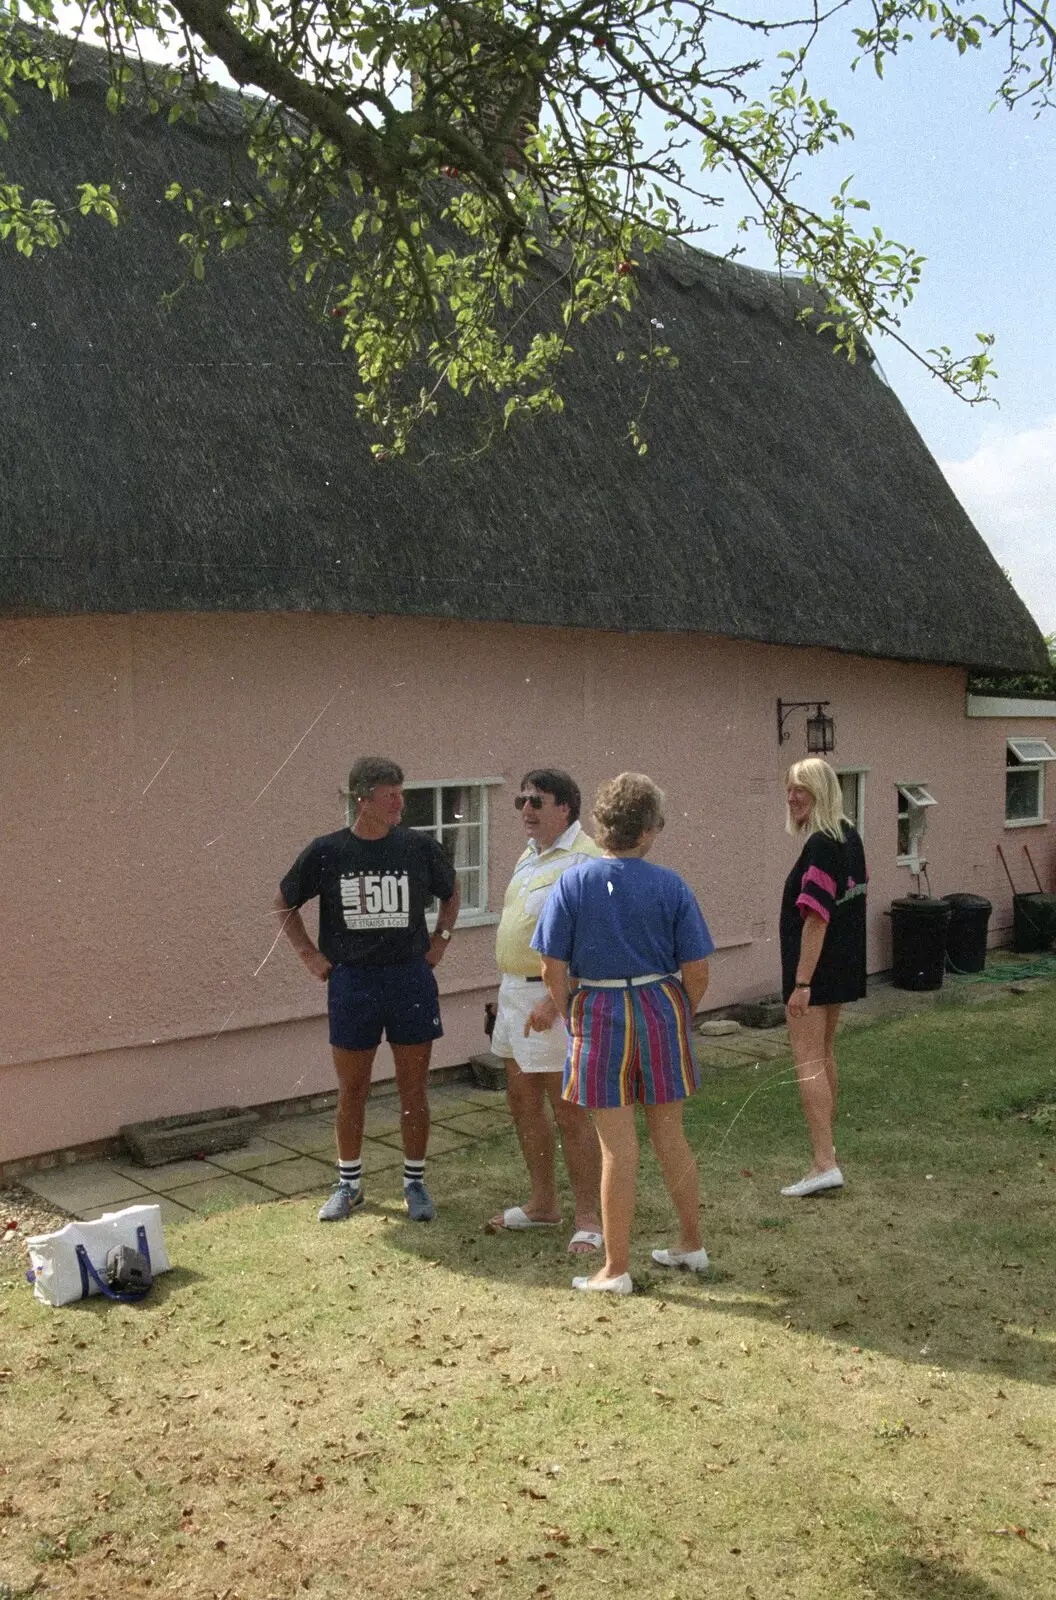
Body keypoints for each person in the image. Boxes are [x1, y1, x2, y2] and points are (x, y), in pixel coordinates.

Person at [532, 773, 715, 1295]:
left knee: (617, 1147)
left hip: (600, 1008)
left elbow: (551, 966)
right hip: (661, 1005)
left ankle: (615, 1269)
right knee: (670, 1136)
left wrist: (573, 1013)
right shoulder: (671, 884)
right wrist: (679, 1010)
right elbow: (697, 968)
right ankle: (690, 1241)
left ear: (602, 823)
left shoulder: (574, 882)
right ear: (650, 829)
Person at [274, 755, 460, 1223]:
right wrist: (310, 956)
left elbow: (451, 890)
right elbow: (282, 903)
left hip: (408, 978)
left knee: (413, 1088)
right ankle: (349, 1185)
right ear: (363, 799)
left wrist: (440, 941)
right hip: (352, 983)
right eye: (389, 794)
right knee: (351, 1088)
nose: (400, 802)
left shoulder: (418, 847)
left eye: (402, 791)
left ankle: (415, 1183)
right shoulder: (328, 852)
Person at [486, 769, 604, 1255]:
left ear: (566, 807)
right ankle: (542, 1204)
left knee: (569, 1109)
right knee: (522, 1100)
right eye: (521, 801)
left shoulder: (587, 859)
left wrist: (555, 999)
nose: (526, 810)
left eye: (536, 801)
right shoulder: (529, 855)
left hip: (550, 996)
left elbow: (592, 942)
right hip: (514, 993)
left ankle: (590, 1218)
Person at [779, 757, 868, 1198]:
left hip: (815, 972)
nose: (792, 796)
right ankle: (827, 1153)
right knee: (825, 1053)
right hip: (842, 965)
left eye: (802, 789)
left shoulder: (821, 845)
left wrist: (800, 984)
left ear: (823, 791)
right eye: (790, 788)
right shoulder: (848, 835)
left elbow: (815, 919)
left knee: (807, 1060)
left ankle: (823, 1162)